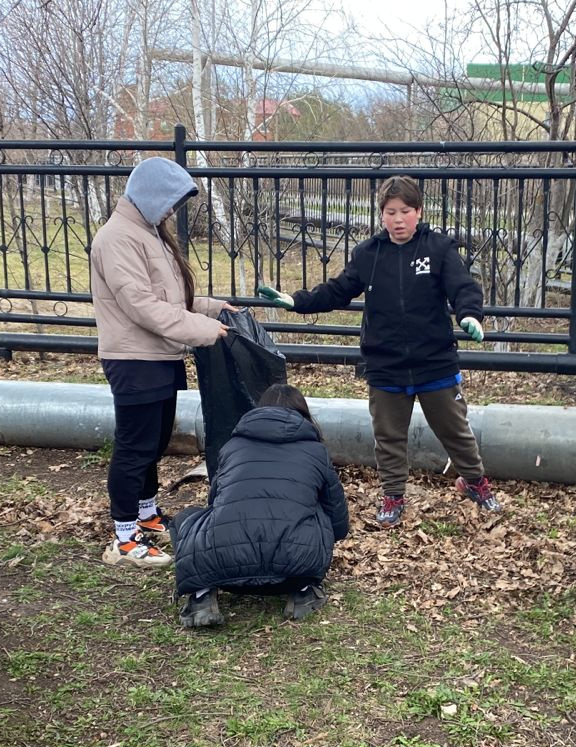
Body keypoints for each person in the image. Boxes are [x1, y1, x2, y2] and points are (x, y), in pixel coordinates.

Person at [256, 175, 502, 527]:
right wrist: (296, 301)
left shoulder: (438, 249)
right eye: (390, 212)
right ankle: (393, 494)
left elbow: (463, 288)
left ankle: (475, 482)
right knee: (388, 437)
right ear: (382, 215)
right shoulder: (368, 254)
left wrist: (470, 315)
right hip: (385, 364)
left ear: (419, 212)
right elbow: (337, 290)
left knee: (455, 430)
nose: (398, 219)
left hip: (434, 362)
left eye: (405, 211)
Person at [92, 156, 236, 568]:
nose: (173, 210)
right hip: (134, 357)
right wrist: (203, 329)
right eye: (170, 201)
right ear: (150, 194)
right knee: (135, 447)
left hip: (159, 354)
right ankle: (124, 538)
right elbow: (142, 306)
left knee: (154, 442)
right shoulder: (118, 238)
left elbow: (170, 300)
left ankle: (146, 513)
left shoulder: (148, 233)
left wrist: (210, 308)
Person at [170, 384, 350, 626]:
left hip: (223, 569)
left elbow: (215, 502)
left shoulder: (232, 446)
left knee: (186, 518)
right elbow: (338, 520)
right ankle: (304, 591)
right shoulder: (316, 451)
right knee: (319, 510)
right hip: (295, 570)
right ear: (304, 414)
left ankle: (201, 595)